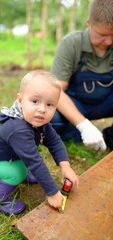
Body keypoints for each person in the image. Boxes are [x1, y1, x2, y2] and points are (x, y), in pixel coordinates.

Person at [0, 70, 79, 216]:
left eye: (50, 104)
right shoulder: (18, 129)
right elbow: (34, 161)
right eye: (35, 101)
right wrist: (53, 193)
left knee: (25, 162)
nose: (42, 109)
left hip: (8, 154)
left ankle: (20, 172)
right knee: (17, 172)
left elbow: (54, 140)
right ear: (20, 100)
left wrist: (65, 165)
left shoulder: (37, 120)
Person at [50, 0, 113, 151]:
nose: (109, 41)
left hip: (107, 103)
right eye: (103, 35)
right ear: (89, 22)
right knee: (50, 119)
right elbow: (55, 90)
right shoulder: (71, 44)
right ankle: (78, 134)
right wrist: (84, 125)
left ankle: (109, 136)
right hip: (77, 105)